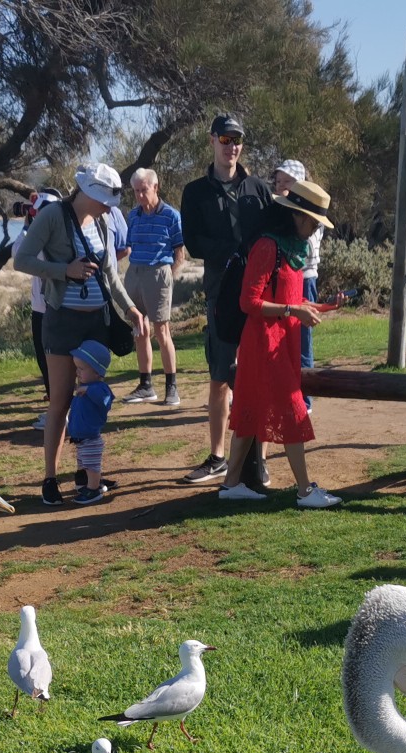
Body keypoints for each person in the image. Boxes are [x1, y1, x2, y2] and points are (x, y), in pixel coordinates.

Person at [14, 163, 145, 506]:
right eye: (103, 199)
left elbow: (111, 276)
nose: (108, 207)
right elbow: (22, 260)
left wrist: (131, 309)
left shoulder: (102, 223)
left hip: (96, 324)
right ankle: (49, 479)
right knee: (60, 402)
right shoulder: (53, 216)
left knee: (89, 400)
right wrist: (64, 271)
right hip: (61, 321)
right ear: (86, 192)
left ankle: (87, 475)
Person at [214, 178, 339, 509]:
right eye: (313, 222)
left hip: (281, 342)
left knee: (249, 412)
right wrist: (291, 309)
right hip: (263, 345)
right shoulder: (267, 247)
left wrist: (323, 305)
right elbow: (248, 303)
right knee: (294, 411)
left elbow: (292, 300)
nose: (315, 229)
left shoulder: (293, 249)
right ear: (297, 215)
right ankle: (304, 491)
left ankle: (230, 485)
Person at [179, 113, 273, 483]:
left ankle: (260, 459)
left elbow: (273, 234)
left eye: (237, 140)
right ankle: (218, 457)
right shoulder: (195, 192)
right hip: (221, 292)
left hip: (259, 293)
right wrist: (233, 250)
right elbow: (193, 240)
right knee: (220, 376)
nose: (231, 146)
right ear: (212, 141)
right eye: (225, 139)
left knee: (260, 376)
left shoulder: (258, 188)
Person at [121, 169, 186, 407]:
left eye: (143, 190)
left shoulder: (171, 215)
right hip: (135, 272)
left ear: (155, 187)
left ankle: (172, 387)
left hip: (159, 272)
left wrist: (169, 274)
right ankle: (146, 385)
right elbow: (128, 246)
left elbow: (180, 252)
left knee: (162, 331)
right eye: (136, 191)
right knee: (140, 330)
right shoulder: (133, 216)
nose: (139, 195)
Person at [271, 159, 323, 409]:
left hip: (304, 280)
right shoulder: (280, 211)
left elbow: (306, 252)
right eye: (278, 181)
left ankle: (305, 398)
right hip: (286, 280)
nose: (281, 186)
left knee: (302, 338)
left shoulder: (308, 215)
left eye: (287, 182)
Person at [20, 190, 62, 430]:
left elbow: (19, 253)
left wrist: (27, 228)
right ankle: (56, 408)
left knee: (51, 362)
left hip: (48, 308)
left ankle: (58, 413)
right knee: (46, 360)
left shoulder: (47, 237)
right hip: (41, 307)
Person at [65, 339, 117, 505]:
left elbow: (105, 401)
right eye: (77, 369)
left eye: (81, 369)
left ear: (97, 372)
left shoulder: (99, 388)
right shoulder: (83, 388)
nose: (78, 373)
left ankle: (93, 489)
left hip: (91, 439)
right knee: (83, 463)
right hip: (80, 438)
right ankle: (86, 484)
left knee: (91, 466)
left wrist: (87, 390)